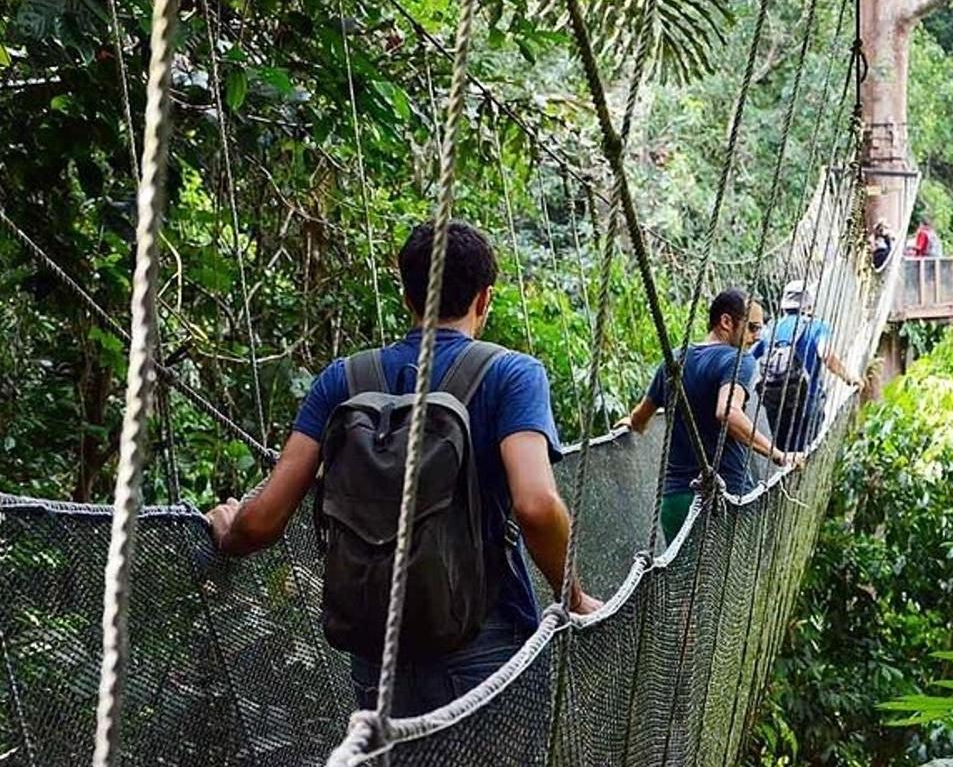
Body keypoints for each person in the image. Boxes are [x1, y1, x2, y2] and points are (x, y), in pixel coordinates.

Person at [206, 220, 601, 716]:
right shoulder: (512, 375)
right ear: (485, 299)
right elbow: (537, 506)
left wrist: (227, 532)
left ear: (408, 296)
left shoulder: (343, 380)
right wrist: (576, 596)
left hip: (377, 656)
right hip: (487, 645)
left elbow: (263, 520)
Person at [616, 288, 796, 544]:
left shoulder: (674, 360)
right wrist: (778, 454)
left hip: (675, 501)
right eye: (753, 328)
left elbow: (640, 418)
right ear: (726, 322)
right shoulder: (738, 361)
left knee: (686, 584)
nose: (758, 337)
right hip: (724, 500)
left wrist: (629, 423)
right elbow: (727, 412)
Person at [752, 280, 865, 451]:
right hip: (807, 405)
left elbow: (748, 358)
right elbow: (826, 354)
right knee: (808, 449)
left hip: (775, 406)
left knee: (786, 456)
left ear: (783, 306)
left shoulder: (770, 330)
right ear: (809, 306)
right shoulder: (816, 327)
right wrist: (850, 378)